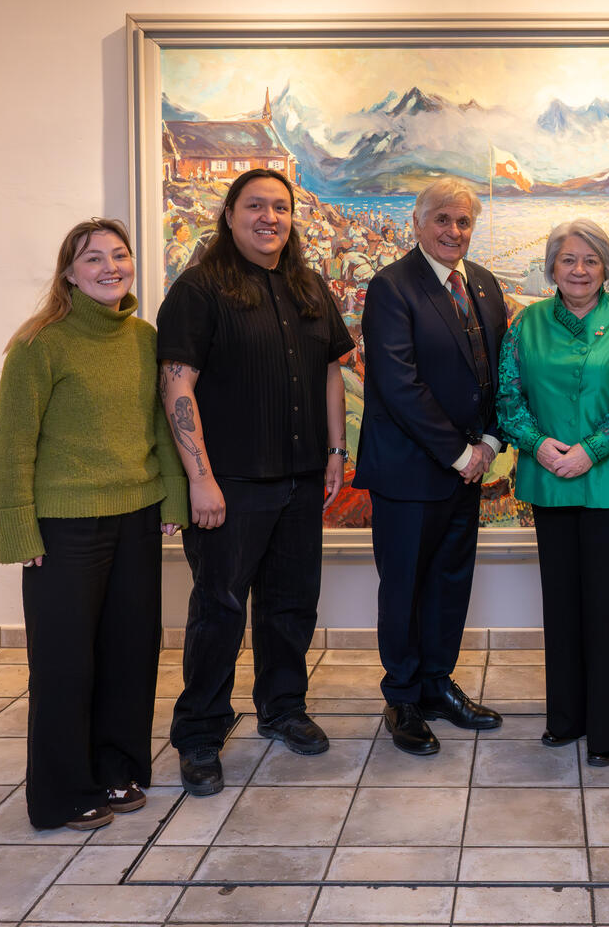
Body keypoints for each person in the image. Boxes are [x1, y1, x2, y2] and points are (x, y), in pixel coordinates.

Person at [157, 169, 354, 795]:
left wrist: (334, 451)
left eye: (281, 207)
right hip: (231, 484)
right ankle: (199, 732)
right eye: (256, 205)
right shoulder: (199, 288)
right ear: (231, 213)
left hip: (300, 479)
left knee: (292, 603)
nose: (270, 217)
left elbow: (330, 372)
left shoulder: (309, 286)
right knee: (218, 610)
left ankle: (282, 708)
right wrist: (200, 480)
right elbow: (177, 384)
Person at [0, 219, 188, 830]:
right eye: (93, 258)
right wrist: (19, 531)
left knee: (131, 652)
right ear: (69, 272)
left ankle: (118, 768)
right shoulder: (39, 344)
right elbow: (11, 447)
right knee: (64, 663)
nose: (110, 267)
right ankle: (61, 793)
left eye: (119, 256)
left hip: (136, 517)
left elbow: (159, 427)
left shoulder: (143, 338)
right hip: (63, 527)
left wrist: (173, 500)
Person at [498, 219, 609, 766]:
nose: (579, 270)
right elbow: (508, 399)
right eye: (568, 259)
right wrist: (538, 443)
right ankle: (564, 718)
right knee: (562, 604)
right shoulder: (527, 323)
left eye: (590, 260)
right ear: (552, 266)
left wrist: (590, 450)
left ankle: (605, 728)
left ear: (606, 267)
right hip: (549, 482)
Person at [353, 177, 508, 756]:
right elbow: (398, 383)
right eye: (442, 220)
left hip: (467, 468)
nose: (454, 231)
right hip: (410, 473)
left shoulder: (486, 286)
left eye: (464, 221)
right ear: (417, 224)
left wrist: (490, 441)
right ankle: (403, 697)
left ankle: (439, 683)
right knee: (405, 588)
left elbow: (497, 377)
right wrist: (461, 452)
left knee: (450, 584)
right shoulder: (392, 286)